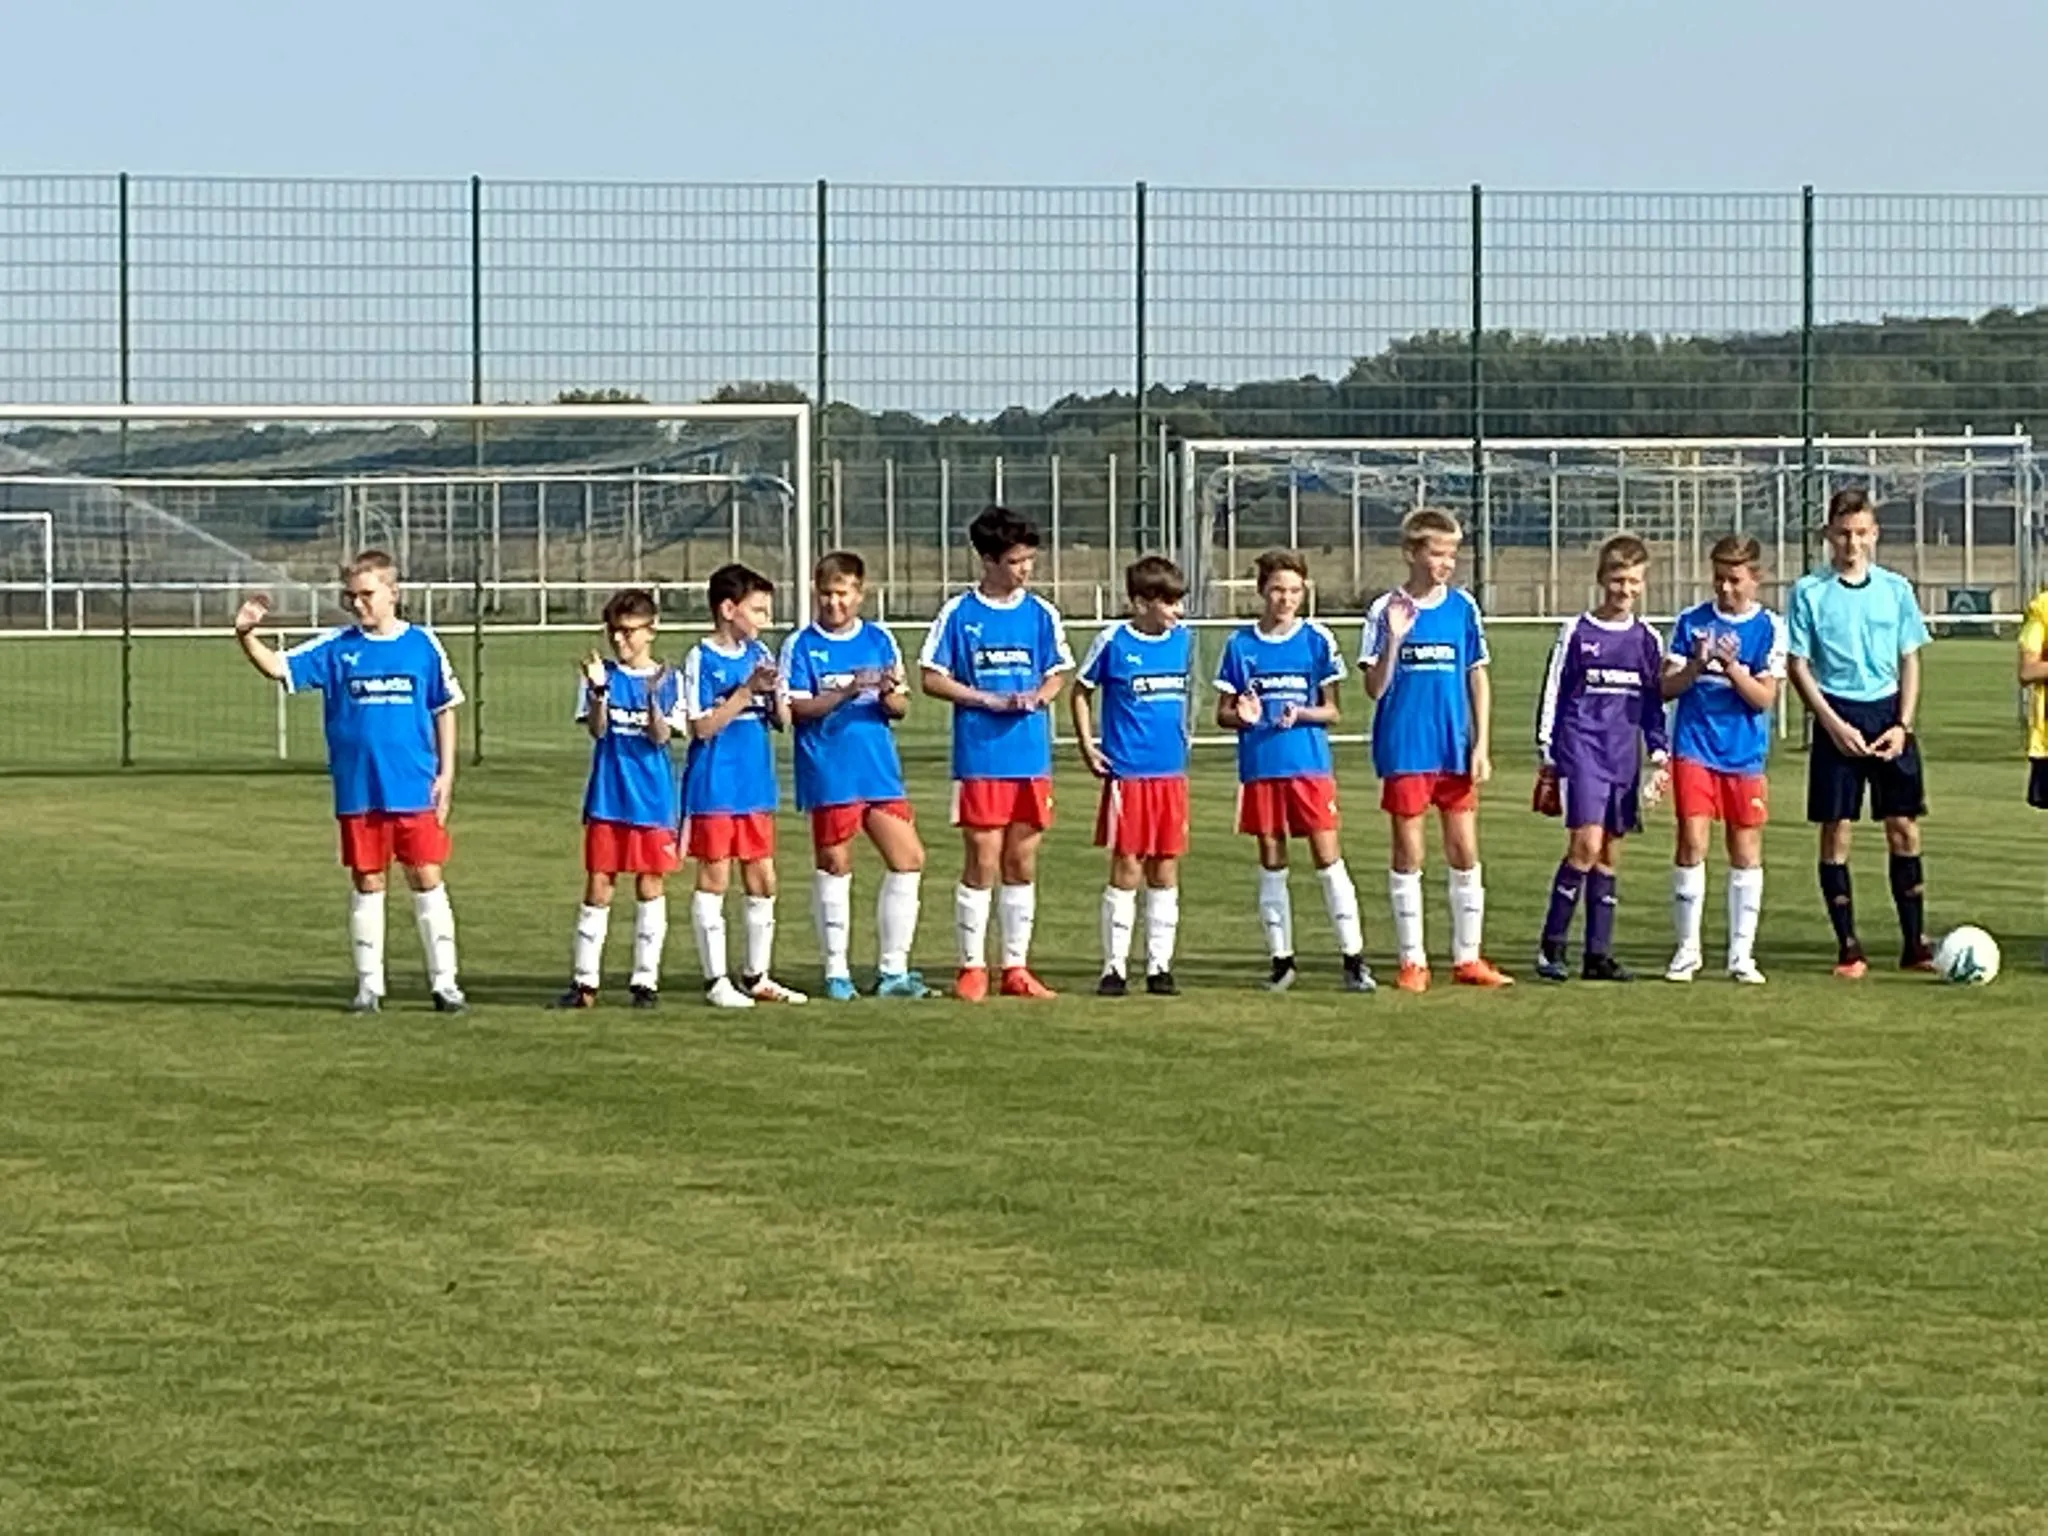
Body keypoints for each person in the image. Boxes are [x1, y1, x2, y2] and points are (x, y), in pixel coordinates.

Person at [232, 549, 465, 1014]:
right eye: (351, 596)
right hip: (358, 789)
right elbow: (279, 668)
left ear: (393, 593)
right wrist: (246, 635)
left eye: (366, 594)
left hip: (414, 787)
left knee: (426, 877)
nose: (358, 604)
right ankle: (369, 987)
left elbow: (444, 708)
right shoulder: (337, 647)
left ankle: (445, 985)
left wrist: (446, 774)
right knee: (368, 880)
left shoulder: (423, 645)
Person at [918, 505, 1074, 1001]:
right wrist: (984, 699)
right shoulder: (959, 613)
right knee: (983, 859)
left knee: (1021, 861)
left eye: (1029, 560)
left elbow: (1057, 671)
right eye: (1014, 561)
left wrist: (1040, 697)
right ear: (987, 560)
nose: (1024, 569)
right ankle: (971, 966)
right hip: (981, 756)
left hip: (1030, 757)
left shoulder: (1041, 613)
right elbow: (931, 677)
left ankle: (1016, 967)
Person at [1361, 508, 1512, 992]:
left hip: (1453, 747)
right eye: (1437, 553)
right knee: (1410, 851)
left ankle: (1468, 957)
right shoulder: (1384, 609)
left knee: (1464, 848)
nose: (1446, 563)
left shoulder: (1463, 608)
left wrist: (1481, 743)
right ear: (1411, 553)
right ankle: (1413, 960)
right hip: (1406, 746)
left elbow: (1477, 675)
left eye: (1452, 554)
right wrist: (1393, 640)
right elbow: (1374, 688)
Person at [1786, 486, 1933, 977]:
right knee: (1837, 830)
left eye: (1861, 533)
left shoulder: (1896, 589)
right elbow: (1798, 665)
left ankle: (1914, 946)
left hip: (1888, 714)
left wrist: (1902, 725)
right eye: (1843, 533)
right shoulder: (1809, 591)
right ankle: (1848, 948)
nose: (1852, 543)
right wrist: (1831, 724)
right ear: (1829, 535)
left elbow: (1910, 659)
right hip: (1837, 714)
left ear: (1874, 535)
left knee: (1903, 826)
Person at [1214, 549, 1373, 994]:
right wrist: (1242, 716)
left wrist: (1301, 713)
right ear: (1261, 590)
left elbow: (1332, 711)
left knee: (1328, 857)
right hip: (1261, 768)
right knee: (1272, 860)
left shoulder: (1316, 640)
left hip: (1308, 767)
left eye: (1295, 591)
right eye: (1278, 590)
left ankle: (1353, 959)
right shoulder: (1240, 645)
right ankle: (1281, 961)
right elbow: (1223, 714)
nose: (1286, 599)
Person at [780, 549, 933, 1001]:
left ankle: (893, 970)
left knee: (908, 859)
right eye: (826, 594)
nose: (834, 603)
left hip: (878, 769)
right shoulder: (801, 645)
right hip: (829, 769)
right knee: (835, 865)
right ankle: (836, 971)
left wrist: (887, 696)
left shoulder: (880, 640)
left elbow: (900, 706)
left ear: (860, 594)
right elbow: (795, 709)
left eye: (842, 594)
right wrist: (846, 692)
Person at [1531, 533, 1671, 983]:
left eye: (1633, 581)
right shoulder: (1577, 631)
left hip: (1623, 756)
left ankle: (1598, 954)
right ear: (1601, 579)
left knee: (1609, 852)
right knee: (1586, 845)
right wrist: (1548, 750)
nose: (1624, 589)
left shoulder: (1647, 639)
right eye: (1617, 580)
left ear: (1643, 583)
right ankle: (1552, 946)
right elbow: (1555, 690)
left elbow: (1653, 702)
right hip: (1582, 749)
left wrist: (1659, 751)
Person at [552, 588, 685, 1010]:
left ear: (651, 630)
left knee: (650, 884)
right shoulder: (601, 674)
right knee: (599, 884)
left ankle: (645, 981)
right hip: (608, 797)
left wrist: (652, 699)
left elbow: (660, 737)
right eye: (614, 631)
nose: (620, 640)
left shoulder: (670, 679)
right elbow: (598, 730)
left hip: (652, 799)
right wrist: (598, 692)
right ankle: (584, 982)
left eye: (629, 631)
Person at [1661, 535, 1786, 985]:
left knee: (1745, 849)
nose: (1725, 588)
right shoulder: (1691, 621)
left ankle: (1740, 954)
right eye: (1718, 579)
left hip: (1744, 754)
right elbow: (1665, 688)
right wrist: (1696, 666)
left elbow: (1764, 699)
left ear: (1756, 579)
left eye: (1734, 580)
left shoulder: (1769, 627)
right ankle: (1687, 950)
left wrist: (1732, 668)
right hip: (1694, 746)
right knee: (1692, 841)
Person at [682, 562, 807, 1008]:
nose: (764, 620)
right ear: (728, 609)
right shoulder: (701, 658)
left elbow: (783, 720)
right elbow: (701, 727)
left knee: (762, 878)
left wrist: (775, 696)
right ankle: (716, 980)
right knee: (714, 876)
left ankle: (757, 976)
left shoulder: (762, 654)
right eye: (758, 610)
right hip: (715, 783)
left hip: (755, 784)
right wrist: (745, 691)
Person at [1071, 554, 1193, 996]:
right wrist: (1088, 744)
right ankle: (1114, 968)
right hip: (1129, 773)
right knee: (1127, 864)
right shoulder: (1114, 641)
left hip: (1170, 773)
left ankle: (1160, 966)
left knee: (1165, 866)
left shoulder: (1184, 641)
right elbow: (1081, 691)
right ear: (1142, 603)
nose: (1178, 611)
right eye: (1169, 603)